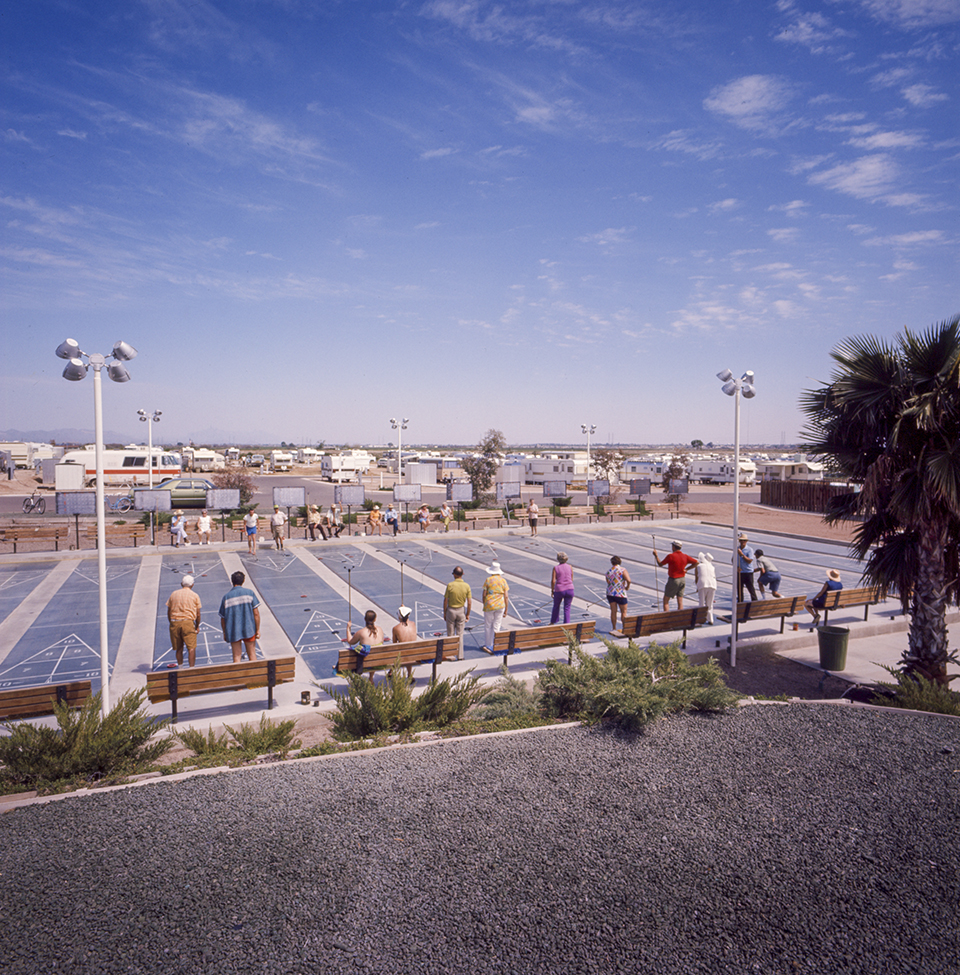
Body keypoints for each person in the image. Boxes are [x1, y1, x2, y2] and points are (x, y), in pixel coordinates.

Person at [218, 570, 260, 662]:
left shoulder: (226, 597)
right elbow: (256, 613)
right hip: (249, 629)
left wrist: (225, 632)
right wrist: (257, 630)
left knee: (236, 657)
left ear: (232, 581)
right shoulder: (249, 593)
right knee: (252, 655)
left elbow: (223, 618)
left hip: (234, 631)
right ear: (243, 581)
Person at [166, 574, 201, 668]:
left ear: (181, 584)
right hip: (188, 622)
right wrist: (197, 626)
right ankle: (191, 669)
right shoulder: (195, 595)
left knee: (178, 648)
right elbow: (198, 614)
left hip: (175, 622)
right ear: (192, 585)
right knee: (191, 648)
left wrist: (172, 622)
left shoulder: (173, 594)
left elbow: (169, 611)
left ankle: (180, 668)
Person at [653, 540, 698, 611]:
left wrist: (656, 556)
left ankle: (667, 618)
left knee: (666, 601)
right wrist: (686, 569)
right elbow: (696, 562)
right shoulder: (685, 556)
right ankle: (680, 618)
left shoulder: (671, 556)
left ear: (673, 547)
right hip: (682, 579)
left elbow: (660, 564)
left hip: (673, 580)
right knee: (680, 601)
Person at [346, 609, 384, 680]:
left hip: (365, 663)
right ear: (375, 619)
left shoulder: (361, 632)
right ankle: (371, 678)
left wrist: (348, 628)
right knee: (374, 651)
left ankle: (358, 678)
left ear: (364, 619)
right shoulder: (380, 630)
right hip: (378, 661)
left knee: (361, 652)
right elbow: (382, 641)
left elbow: (350, 641)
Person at [443, 566, 472, 658]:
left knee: (450, 634)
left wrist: (445, 612)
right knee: (460, 635)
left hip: (451, 610)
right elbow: (470, 602)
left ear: (454, 574)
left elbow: (445, 600)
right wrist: (467, 614)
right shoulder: (466, 586)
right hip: (461, 610)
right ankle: (460, 656)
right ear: (462, 574)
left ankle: (451, 655)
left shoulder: (450, 585)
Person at [481, 561, 509, 652]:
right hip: (500, 605)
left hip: (489, 604)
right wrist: (506, 610)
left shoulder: (488, 580)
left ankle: (488, 644)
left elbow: (484, 594)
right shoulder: (503, 581)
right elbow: (506, 596)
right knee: (497, 625)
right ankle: (495, 644)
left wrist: (484, 603)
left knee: (488, 625)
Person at [391, 605, 418, 681]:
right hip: (415, 653)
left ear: (399, 616)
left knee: (395, 651)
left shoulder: (396, 628)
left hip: (403, 654)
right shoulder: (413, 624)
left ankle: (391, 670)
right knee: (408, 651)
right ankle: (409, 674)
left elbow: (394, 643)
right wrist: (403, 608)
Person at [605, 555, 631, 631]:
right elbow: (628, 580)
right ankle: (624, 628)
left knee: (613, 611)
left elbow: (608, 582)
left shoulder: (608, 571)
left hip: (610, 593)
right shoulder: (623, 570)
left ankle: (614, 628)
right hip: (620, 593)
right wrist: (627, 586)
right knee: (624, 612)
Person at [550, 552, 575, 624]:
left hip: (559, 589)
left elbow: (553, 581)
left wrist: (552, 590)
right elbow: (571, 578)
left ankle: (553, 621)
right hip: (570, 589)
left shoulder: (556, 568)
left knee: (556, 606)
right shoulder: (570, 566)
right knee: (567, 608)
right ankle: (566, 623)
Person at [695, 552, 717, 625]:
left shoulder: (698, 566)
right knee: (710, 604)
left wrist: (697, 587)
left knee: (701, 603)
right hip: (712, 585)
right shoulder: (712, 567)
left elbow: (697, 578)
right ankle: (710, 619)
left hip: (703, 584)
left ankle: (701, 619)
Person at [737, 533, 758, 602]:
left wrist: (742, 555)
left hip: (748, 572)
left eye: (744, 540)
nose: (742, 542)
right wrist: (736, 567)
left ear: (746, 541)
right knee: (739, 589)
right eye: (741, 540)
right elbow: (733, 559)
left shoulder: (749, 550)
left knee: (750, 588)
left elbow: (749, 561)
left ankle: (754, 602)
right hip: (740, 572)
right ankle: (740, 602)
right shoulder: (737, 549)